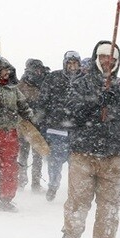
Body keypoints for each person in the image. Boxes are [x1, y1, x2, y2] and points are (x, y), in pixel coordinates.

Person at [60, 41, 120, 238]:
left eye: (112, 60)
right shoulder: (80, 84)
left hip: (112, 155)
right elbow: (69, 113)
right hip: (83, 153)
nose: (107, 63)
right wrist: (95, 102)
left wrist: (116, 106)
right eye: (103, 58)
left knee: (110, 205)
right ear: (96, 58)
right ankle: (71, 231)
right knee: (79, 203)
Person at [0, 56, 36, 212]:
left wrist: (29, 115)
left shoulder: (13, 89)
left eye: (9, 71)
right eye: (4, 70)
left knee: (9, 167)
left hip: (9, 133)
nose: (6, 74)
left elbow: (22, 105)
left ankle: (6, 200)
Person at [35, 50, 84, 202]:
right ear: (65, 64)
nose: (72, 66)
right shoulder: (53, 78)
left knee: (76, 166)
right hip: (55, 130)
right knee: (54, 163)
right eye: (69, 63)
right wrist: (42, 125)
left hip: (77, 131)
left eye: (75, 63)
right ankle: (53, 186)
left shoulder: (85, 81)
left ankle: (74, 192)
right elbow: (42, 102)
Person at [16, 58, 48, 191]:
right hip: (26, 125)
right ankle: (25, 182)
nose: (38, 72)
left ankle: (32, 183)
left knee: (35, 155)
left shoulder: (40, 85)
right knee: (27, 155)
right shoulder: (22, 85)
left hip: (35, 125)